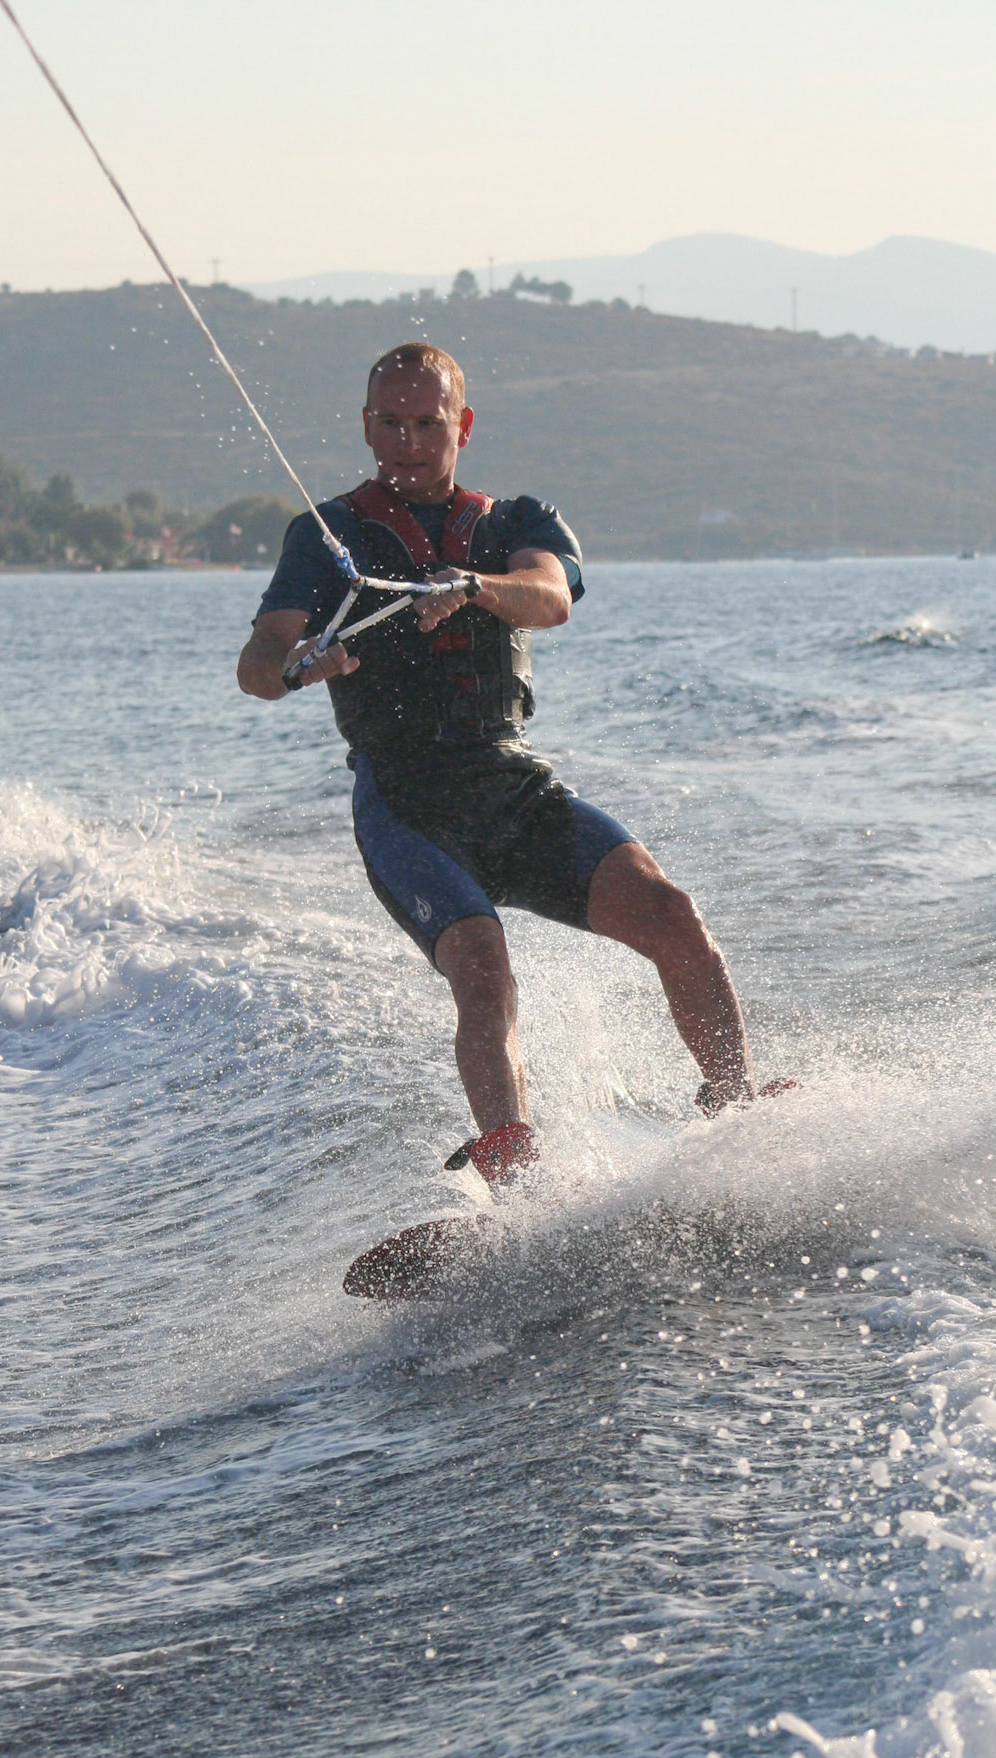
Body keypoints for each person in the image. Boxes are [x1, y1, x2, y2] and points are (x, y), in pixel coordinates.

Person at [237, 342, 764, 1185]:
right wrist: (301, 664)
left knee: (672, 915)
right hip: (406, 807)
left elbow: (550, 597)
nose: (407, 443)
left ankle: (738, 1114)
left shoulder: (516, 523)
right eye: (390, 423)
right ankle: (516, 1179)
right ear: (365, 425)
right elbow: (258, 663)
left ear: (463, 425)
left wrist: (475, 586)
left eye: (427, 423)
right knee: (482, 967)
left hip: (509, 787)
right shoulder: (327, 535)